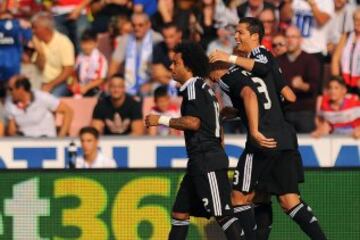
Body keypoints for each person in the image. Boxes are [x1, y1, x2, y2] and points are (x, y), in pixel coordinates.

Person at [209, 17, 327, 240]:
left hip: (263, 138)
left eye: (241, 33)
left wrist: (229, 58)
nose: (236, 37)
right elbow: (289, 96)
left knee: (238, 197)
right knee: (284, 200)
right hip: (284, 136)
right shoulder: (269, 65)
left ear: (255, 36)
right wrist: (245, 111)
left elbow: (252, 90)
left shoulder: (258, 58)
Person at [145, 42, 245, 240]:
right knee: (180, 213)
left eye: (175, 63)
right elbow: (217, 123)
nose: (171, 67)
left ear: (188, 66)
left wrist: (161, 120)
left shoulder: (193, 88)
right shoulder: (204, 88)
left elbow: (194, 122)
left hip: (206, 159)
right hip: (200, 161)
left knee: (223, 214)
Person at [277, 26, 320, 133]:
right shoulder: (277, 61)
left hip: (304, 111)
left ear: (300, 40)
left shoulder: (310, 60)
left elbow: (316, 87)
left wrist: (302, 86)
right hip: (283, 112)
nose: (290, 40)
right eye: (287, 37)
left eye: (293, 37)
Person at [108, 12, 163, 96]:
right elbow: (114, 64)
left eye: (140, 25)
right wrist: (111, 83)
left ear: (148, 25)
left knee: (154, 88)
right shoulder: (125, 39)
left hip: (152, 81)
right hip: (128, 83)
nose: (136, 28)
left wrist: (151, 83)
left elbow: (161, 69)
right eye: (134, 25)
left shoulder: (157, 39)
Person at [5, 75, 73, 137]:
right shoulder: (9, 102)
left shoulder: (42, 97)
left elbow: (68, 111)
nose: (9, 92)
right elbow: (12, 130)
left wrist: (61, 137)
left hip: (46, 141)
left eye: (11, 89)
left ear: (21, 88)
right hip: (25, 142)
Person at [31, 12, 75, 97]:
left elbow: (68, 70)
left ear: (46, 29)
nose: (32, 31)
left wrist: (50, 85)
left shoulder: (63, 42)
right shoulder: (37, 42)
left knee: (51, 99)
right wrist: (40, 52)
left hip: (60, 83)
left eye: (35, 28)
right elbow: (39, 68)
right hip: (40, 82)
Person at [331, 8, 360, 96]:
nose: (357, 22)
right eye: (355, 19)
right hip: (345, 80)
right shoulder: (346, 36)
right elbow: (335, 58)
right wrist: (337, 81)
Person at [71, 29, 107, 97]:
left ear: (96, 44)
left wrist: (87, 87)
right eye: (84, 43)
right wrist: (74, 83)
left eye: (90, 44)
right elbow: (74, 73)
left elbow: (101, 79)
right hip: (81, 87)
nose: (86, 47)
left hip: (95, 89)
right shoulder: (79, 57)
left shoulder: (101, 59)